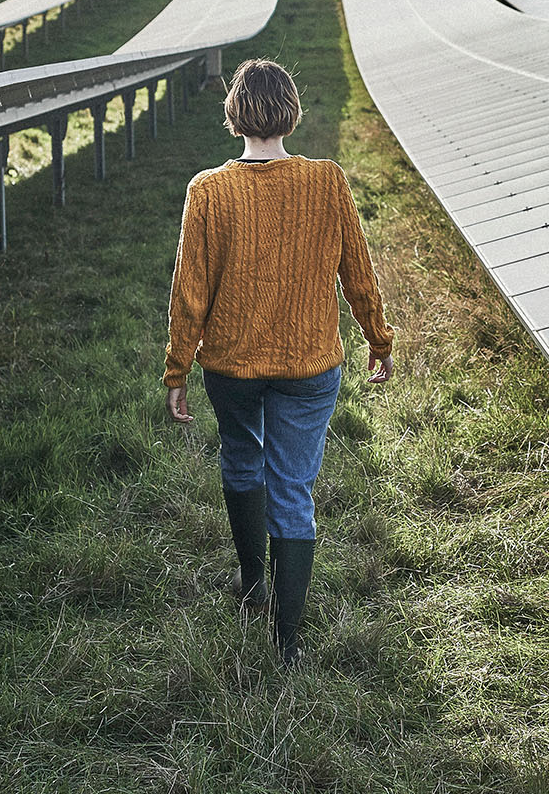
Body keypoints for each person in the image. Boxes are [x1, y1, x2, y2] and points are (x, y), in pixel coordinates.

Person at [164, 57, 395, 667]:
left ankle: (251, 582)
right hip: (310, 364)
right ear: (292, 112)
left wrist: (178, 369)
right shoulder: (327, 181)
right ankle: (287, 645)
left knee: (242, 457)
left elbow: (189, 290)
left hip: (232, 366)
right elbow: (357, 271)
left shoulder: (208, 191)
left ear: (234, 114)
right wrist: (378, 336)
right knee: (293, 489)